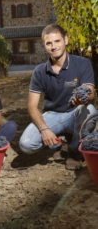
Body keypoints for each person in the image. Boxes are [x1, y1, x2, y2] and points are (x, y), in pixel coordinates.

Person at [19, 24, 97, 170]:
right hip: (52, 115)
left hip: (75, 113)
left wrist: (85, 97)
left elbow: (91, 93)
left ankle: (74, 152)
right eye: (49, 43)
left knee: (90, 110)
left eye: (57, 41)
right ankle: (58, 140)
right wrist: (44, 129)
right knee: (26, 144)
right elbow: (31, 106)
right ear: (44, 45)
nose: (54, 46)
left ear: (65, 40)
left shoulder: (82, 63)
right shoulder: (40, 71)